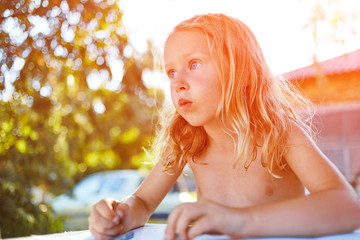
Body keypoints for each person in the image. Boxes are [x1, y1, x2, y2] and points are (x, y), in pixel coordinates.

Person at [88, 13, 360, 240]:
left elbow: (347, 206)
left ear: (240, 71)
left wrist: (240, 221)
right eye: (171, 72)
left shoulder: (279, 133)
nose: (177, 82)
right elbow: (144, 203)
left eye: (193, 64)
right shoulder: (186, 140)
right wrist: (122, 214)